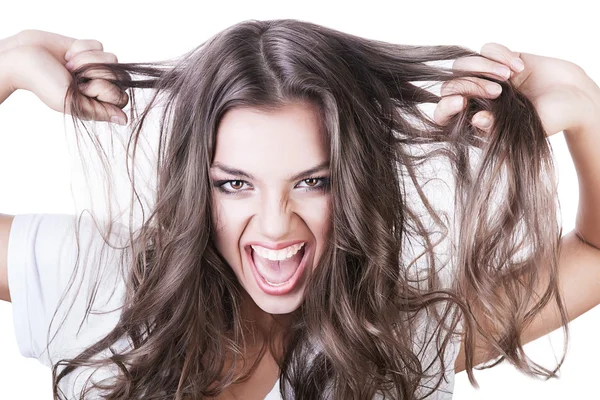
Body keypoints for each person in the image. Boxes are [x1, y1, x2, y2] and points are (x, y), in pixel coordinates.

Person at [0, 19, 599, 400]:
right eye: (235, 185)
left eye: (313, 181)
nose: (274, 224)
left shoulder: (399, 332)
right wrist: (9, 61)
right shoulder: (97, 280)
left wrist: (585, 104)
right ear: (195, 187)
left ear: (356, 182)